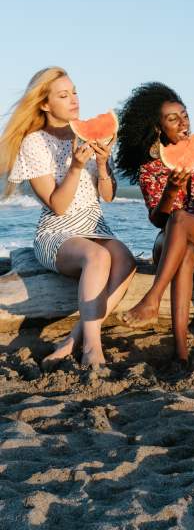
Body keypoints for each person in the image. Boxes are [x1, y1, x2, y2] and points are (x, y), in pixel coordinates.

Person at [0, 67, 136, 368]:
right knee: (98, 258)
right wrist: (75, 166)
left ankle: (74, 339)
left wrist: (101, 164)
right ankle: (92, 349)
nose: (74, 99)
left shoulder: (89, 133)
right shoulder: (34, 143)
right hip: (57, 234)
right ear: (45, 104)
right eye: (63, 95)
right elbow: (58, 206)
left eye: (74, 91)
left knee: (126, 261)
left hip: (95, 224)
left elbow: (109, 196)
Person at [116, 82, 194, 364]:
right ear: (159, 128)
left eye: (184, 115)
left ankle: (152, 298)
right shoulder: (150, 167)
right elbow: (156, 220)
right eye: (173, 118)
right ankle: (182, 354)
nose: (183, 122)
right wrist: (171, 191)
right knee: (184, 250)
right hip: (171, 243)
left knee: (182, 217)